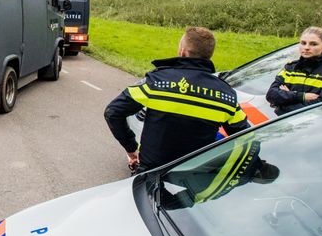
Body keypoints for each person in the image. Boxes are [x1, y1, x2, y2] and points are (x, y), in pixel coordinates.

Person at [104, 26, 249, 172]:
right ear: (209, 55)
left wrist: (131, 148)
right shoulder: (226, 95)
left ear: (182, 52)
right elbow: (247, 139)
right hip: (195, 178)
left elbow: (113, 112)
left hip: (152, 174)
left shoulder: (157, 81)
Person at [265, 26, 322, 115]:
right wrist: (301, 96)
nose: (307, 47)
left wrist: (284, 104)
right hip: (287, 126)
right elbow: (271, 95)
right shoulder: (290, 68)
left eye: (313, 44)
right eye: (303, 43)